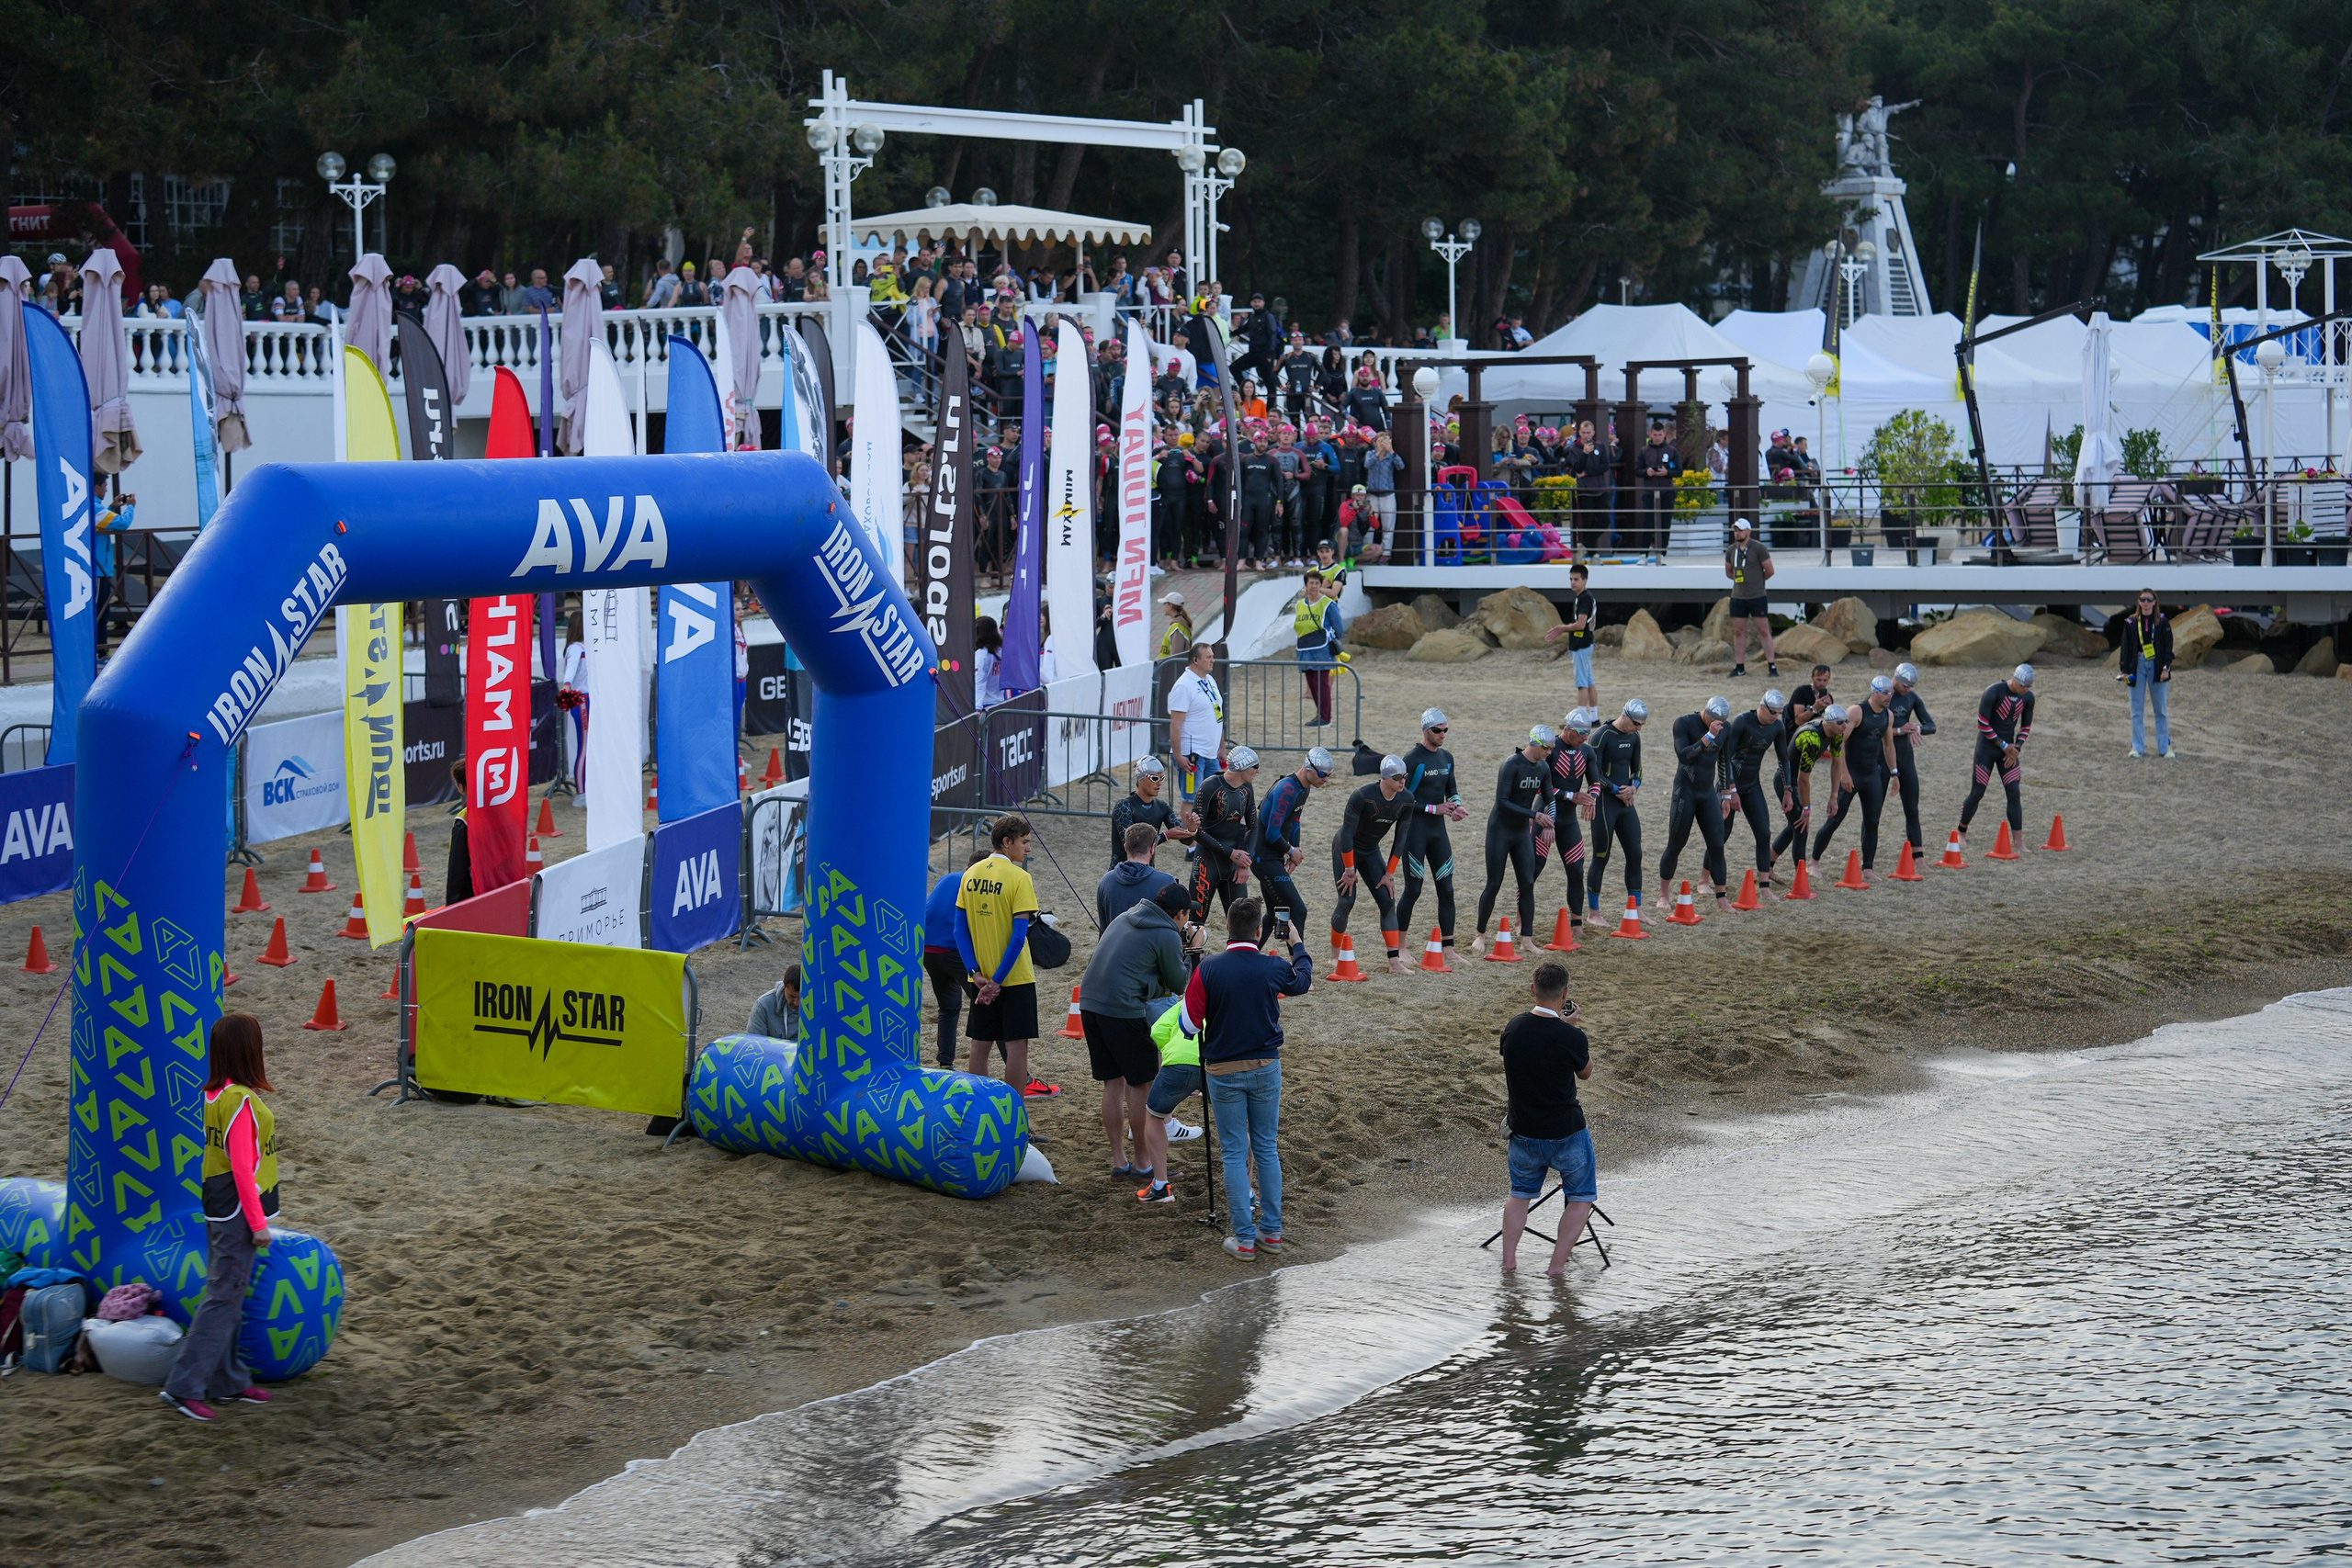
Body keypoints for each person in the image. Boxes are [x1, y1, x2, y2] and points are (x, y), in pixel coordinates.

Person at [161, 1014, 281, 1421]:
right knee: (223, 1297)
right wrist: (259, 1224)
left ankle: (228, 1380)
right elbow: (243, 1169)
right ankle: (183, 1386)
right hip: (237, 1212)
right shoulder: (240, 1102)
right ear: (250, 1051)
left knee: (228, 1295)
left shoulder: (215, 1094)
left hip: (217, 1205)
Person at [1179, 897, 1314, 1259]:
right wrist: (1296, 943)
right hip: (1265, 1066)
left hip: (1223, 1071)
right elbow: (1302, 982)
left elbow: (1189, 1025)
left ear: (1227, 928)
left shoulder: (1208, 969)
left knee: (1235, 1153)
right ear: (1259, 931)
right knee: (1266, 1148)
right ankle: (1271, 1233)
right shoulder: (1271, 966)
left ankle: (1244, 1238)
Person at [1080, 880, 1194, 1181]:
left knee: (1112, 1083)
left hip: (1089, 1004)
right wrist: (1191, 949)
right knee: (1142, 1085)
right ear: (1180, 914)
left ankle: (1120, 1161)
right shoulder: (1167, 933)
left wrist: (1146, 984)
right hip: (1122, 1011)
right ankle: (1144, 1163)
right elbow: (1179, 983)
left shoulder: (1125, 916)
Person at [1496, 964, 1596, 1279]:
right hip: (1566, 1132)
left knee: (1520, 1194)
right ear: (1565, 993)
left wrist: (1561, 1027)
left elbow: (1534, 1049)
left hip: (1524, 1131)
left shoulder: (1513, 1029)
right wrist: (1570, 1028)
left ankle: (1509, 1262)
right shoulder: (1571, 1036)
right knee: (1581, 1198)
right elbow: (1586, 1071)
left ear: (1532, 989)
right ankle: (1556, 1267)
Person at [955, 815, 1060, 1100]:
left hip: (981, 976)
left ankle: (978, 1111)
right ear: (1007, 841)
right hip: (1014, 976)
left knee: (980, 1046)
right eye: (1025, 842)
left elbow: (959, 931)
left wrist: (976, 974)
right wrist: (998, 981)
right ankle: (1012, 1118)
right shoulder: (1019, 877)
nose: (1028, 849)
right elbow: (1018, 938)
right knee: (1016, 1047)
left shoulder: (971, 873)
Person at [1472, 727, 1556, 955]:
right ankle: (1480, 934)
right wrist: (1534, 815)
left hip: (1520, 834)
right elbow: (1502, 802)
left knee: (1527, 883)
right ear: (1535, 744)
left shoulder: (1543, 768)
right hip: (1500, 830)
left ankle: (1526, 939)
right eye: (1547, 748)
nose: (1550, 753)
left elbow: (1551, 800)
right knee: (1494, 883)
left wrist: (1551, 823)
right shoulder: (1512, 764)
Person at [1396, 709, 1471, 959]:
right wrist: (1434, 808)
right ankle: (1400, 948)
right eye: (1437, 730)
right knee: (1413, 889)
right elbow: (1403, 800)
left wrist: (1457, 806)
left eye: (1446, 730)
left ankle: (1448, 948)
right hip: (1415, 831)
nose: (1442, 735)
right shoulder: (1413, 759)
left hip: (1438, 832)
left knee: (1447, 889)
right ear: (1425, 731)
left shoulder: (1447, 757)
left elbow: (1452, 789)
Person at [1330, 754, 1414, 973]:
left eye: (1405, 776)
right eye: (1397, 777)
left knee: (1388, 901)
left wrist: (1390, 873)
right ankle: (1334, 957)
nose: (1403, 780)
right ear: (1384, 777)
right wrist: (1349, 869)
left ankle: (1394, 962)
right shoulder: (1363, 796)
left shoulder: (1406, 799)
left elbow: (1401, 839)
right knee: (1347, 900)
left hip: (1370, 851)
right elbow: (1347, 833)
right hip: (1346, 848)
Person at [1658, 696, 1738, 914]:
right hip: (1685, 793)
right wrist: (1709, 736)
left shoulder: (1725, 728)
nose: (1719, 725)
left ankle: (1722, 899)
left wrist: (1726, 795)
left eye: (1722, 723)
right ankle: (1663, 895)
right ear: (1707, 714)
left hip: (1706, 795)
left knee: (1717, 845)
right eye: (1715, 722)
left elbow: (1724, 760)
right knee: (1676, 845)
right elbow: (1684, 756)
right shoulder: (1684, 724)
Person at [1813, 677, 1896, 880]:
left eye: (1891, 692)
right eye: (1885, 692)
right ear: (1874, 691)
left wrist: (1895, 773)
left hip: (1872, 775)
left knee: (1872, 821)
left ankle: (1868, 867)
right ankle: (1813, 862)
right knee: (1835, 819)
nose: (1889, 696)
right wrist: (1844, 773)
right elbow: (1839, 742)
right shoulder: (1857, 712)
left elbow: (1888, 745)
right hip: (1852, 774)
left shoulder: (1888, 715)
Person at [1532, 709, 1600, 939]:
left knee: (1576, 870)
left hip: (1568, 820)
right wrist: (1573, 796)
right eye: (1581, 734)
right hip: (1545, 815)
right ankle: (1522, 921)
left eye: (1588, 734)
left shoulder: (1587, 751)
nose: (1585, 739)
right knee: (1534, 869)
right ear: (1569, 730)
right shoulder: (1551, 750)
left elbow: (1595, 782)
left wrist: (1592, 799)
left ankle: (1577, 924)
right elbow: (1541, 786)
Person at [1253, 747, 1333, 938]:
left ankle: (1258, 954)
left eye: (1329, 775)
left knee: (1275, 913)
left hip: (1272, 857)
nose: (1326, 780)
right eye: (1323, 775)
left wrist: (1295, 852)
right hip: (1263, 858)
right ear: (1309, 768)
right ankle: (1297, 962)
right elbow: (1272, 833)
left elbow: (1295, 822)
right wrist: (1290, 851)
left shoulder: (1304, 788)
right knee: (1297, 910)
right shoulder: (1287, 788)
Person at [1957, 665, 2036, 849]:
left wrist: (2016, 748)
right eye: (2023, 686)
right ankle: (1961, 831)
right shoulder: (1993, 692)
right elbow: (1983, 724)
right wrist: (2003, 745)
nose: (2025, 690)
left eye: (2028, 688)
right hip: (1987, 748)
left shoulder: (2028, 698)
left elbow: (2026, 727)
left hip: (2008, 750)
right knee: (1978, 792)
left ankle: (2018, 840)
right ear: (2015, 680)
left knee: (2014, 791)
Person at [1724, 691, 1793, 894]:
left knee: (1763, 832)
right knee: (1721, 834)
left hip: (1752, 785)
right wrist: (1731, 791)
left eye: (1780, 713)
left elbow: (1784, 760)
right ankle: (1704, 879)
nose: (1776, 717)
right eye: (1773, 712)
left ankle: (1764, 886)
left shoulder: (1777, 727)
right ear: (1762, 707)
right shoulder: (1742, 722)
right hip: (1730, 784)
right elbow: (1726, 759)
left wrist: (1788, 791)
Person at [923, 852, 988, 1067]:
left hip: (928, 950)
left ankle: (945, 1064)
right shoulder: (976, 885)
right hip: (952, 949)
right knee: (991, 1008)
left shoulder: (949, 878)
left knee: (948, 1008)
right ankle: (1021, 1075)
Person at [1587, 700, 1648, 921]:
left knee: (1635, 854)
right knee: (1602, 855)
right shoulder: (1601, 735)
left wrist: (1634, 787)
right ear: (1625, 716)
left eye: (1642, 725)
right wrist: (1615, 790)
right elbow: (1593, 773)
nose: (1639, 728)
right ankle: (1594, 913)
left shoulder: (1634, 737)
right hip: (1605, 803)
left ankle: (1636, 909)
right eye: (1637, 724)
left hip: (1626, 803)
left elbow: (1638, 769)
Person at [1775, 704, 1850, 870]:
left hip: (1796, 779)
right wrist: (1807, 809)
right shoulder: (1812, 739)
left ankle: (1767, 865)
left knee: (1794, 825)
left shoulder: (1837, 733)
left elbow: (1837, 764)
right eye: (1840, 723)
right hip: (1785, 782)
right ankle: (1800, 880)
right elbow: (1803, 780)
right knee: (1802, 827)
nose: (1845, 726)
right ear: (1827, 722)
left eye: (1846, 721)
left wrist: (1834, 797)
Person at [1189, 746, 1261, 918]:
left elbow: (1253, 826)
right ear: (1243, 767)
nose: (1258, 771)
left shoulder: (1246, 788)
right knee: (1194, 924)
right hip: (1207, 862)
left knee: (1243, 924)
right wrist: (1231, 853)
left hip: (1234, 865)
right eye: (1256, 767)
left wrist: (1245, 862)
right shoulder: (1209, 787)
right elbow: (1195, 832)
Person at [1886, 662, 1938, 858]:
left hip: (1906, 759)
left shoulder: (1912, 698)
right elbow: (1871, 729)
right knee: (1873, 814)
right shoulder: (1882, 695)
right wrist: (1899, 731)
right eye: (1905, 686)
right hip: (1882, 760)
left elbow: (1931, 725)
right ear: (1896, 679)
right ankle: (1868, 864)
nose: (1907, 690)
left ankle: (1918, 857)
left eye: (1911, 687)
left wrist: (1917, 729)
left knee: (1912, 809)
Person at [1165, 639, 1226, 804]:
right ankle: (1190, 831)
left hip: (1211, 754)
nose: (1213, 660)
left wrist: (1221, 747)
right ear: (1195, 660)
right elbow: (1175, 723)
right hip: (1192, 755)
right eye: (1208, 657)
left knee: (1215, 799)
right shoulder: (1184, 686)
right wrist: (1178, 755)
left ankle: (1205, 830)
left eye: (1212, 656)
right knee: (1192, 801)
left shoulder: (1209, 680)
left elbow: (1217, 716)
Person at [1108, 755, 1196, 869]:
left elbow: (1186, 841)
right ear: (1140, 779)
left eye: (1162, 778)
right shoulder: (1124, 806)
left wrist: (1192, 830)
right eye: (1154, 778)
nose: (1159, 783)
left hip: (1147, 872)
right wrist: (1166, 836)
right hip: (1121, 872)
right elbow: (1132, 845)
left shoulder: (1162, 807)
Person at [2119, 592, 2174, 759]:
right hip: (2138, 665)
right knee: (2136, 709)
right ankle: (2137, 747)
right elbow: (2125, 647)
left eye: (2149, 600)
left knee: (2161, 709)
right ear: (2139, 602)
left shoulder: (2162, 621)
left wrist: (2166, 668)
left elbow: (2168, 647)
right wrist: (2124, 671)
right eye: (2143, 600)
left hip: (2156, 665)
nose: (2146, 603)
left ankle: (2165, 748)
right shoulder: (2131, 622)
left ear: (2155, 602)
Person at [1543, 562, 1600, 714]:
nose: (1573, 582)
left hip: (1582, 644)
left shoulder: (1585, 598)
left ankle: (1580, 718)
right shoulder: (1582, 597)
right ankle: (1594, 717)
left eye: (1576, 579)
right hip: (1584, 643)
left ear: (1584, 580)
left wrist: (1562, 628)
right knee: (1589, 681)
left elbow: (1581, 625)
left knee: (1582, 684)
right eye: (1571, 579)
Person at [1100, 821, 1182, 930]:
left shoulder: (1106, 881)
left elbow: (1103, 929)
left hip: (1113, 945)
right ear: (1152, 848)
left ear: (1126, 847)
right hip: (1151, 946)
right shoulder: (1166, 882)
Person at [1723, 518, 1778, 677]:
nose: (1737, 533)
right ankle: (1739, 665)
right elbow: (1728, 571)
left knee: (1763, 630)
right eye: (1735, 530)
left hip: (1757, 596)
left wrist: (1757, 581)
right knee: (1739, 631)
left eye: (1740, 530)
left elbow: (1770, 570)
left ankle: (1771, 664)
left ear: (1748, 531)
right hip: (1738, 596)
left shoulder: (1758, 548)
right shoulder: (1731, 550)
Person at [1293, 575, 1345, 728]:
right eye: (1311, 583)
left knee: (1322, 684)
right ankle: (1320, 714)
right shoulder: (1300, 605)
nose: (1314, 586)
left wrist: (1331, 638)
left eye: (1317, 583)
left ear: (1321, 585)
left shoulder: (1328, 604)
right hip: (1304, 648)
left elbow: (1339, 627)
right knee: (1312, 683)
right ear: (1306, 586)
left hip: (1322, 649)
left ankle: (1326, 717)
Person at [1634, 423, 1680, 560]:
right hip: (1649, 492)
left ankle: (1662, 553)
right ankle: (1644, 554)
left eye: (1660, 435)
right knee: (1648, 523)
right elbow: (1637, 470)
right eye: (1655, 435)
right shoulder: (1644, 451)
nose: (1658, 438)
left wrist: (1667, 472)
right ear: (1651, 434)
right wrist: (1646, 472)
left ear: (1664, 435)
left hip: (1667, 492)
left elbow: (1679, 471)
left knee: (1665, 524)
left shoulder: (1672, 451)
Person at [747, 964, 802, 1040]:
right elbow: (755, 1043)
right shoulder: (763, 1006)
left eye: (802, 997)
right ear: (784, 986)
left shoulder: (819, 1005)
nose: (797, 1003)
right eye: (792, 996)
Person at [1158, 592, 1194, 660]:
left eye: (1165, 604)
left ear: (1171, 606)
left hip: (1170, 668)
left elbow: (1176, 657)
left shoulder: (1177, 627)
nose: (1164, 607)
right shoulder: (1178, 625)